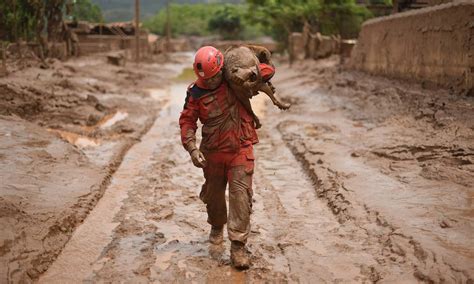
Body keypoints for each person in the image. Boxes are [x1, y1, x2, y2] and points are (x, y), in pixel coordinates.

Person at [179, 46, 260, 269]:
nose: (213, 82)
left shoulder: (234, 79)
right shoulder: (195, 92)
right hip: (212, 153)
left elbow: (263, 72)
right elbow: (187, 121)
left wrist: (251, 68)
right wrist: (192, 149)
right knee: (214, 196)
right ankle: (216, 225)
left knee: (240, 196)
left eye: (216, 77)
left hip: (240, 149)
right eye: (208, 79)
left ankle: (238, 246)